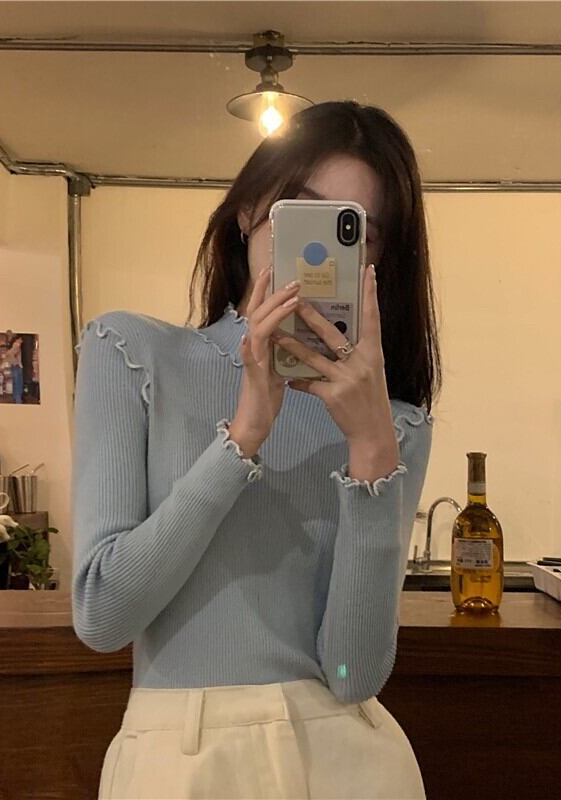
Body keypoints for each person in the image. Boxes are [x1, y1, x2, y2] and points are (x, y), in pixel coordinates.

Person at [71, 100, 442, 800]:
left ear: (376, 260)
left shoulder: (394, 426)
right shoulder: (131, 352)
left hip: (349, 763)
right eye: (300, 211)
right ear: (247, 211)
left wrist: (370, 449)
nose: (318, 250)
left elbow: (351, 676)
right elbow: (103, 615)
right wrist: (243, 434)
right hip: (184, 762)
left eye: (355, 232)